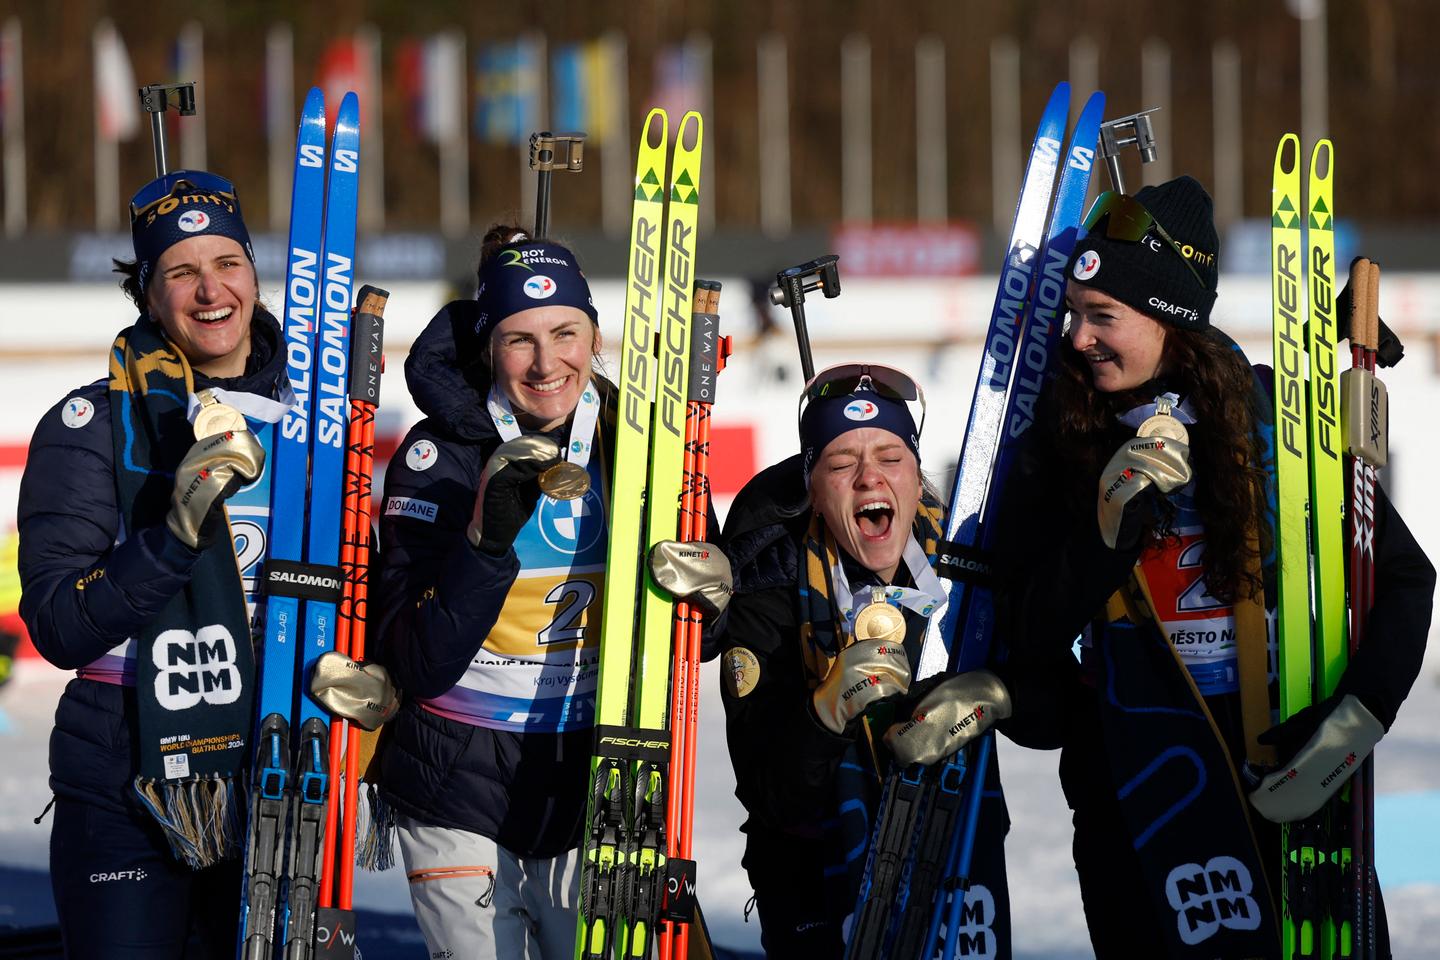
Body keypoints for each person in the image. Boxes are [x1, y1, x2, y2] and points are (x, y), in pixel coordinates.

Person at [995, 175, 1435, 957]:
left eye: (1103, 316)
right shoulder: (1060, 439)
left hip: (1289, 772)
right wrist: (1104, 530)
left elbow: (1402, 575)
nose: (1079, 337)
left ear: (1170, 317)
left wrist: (1355, 719)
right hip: (1141, 799)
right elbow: (1024, 634)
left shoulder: (1273, 419)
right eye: (1073, 314)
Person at [373, 226, 727, 959]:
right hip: (455, 785)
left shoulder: (640, 447)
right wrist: (484, 545)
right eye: (519, 339)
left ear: (594, 336)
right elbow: (416, 663)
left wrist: (716, 597)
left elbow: (695, 644)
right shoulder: (436, 458)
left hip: (598, 781)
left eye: (565, 333)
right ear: (488, 347)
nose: (545, 363)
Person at [17, 171, 287, 956]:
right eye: (181, 271)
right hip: (122, 777)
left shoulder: (315, 421)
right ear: (148, 294)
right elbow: (60, 626)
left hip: (277, 773)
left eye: (227, 263)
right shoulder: (90, 424)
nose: (211, 291)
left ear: (253, 272)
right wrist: (173, 535)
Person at [716, 365, 1013, 957]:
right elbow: (771, 796)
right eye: (840, 463)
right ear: (813, 488)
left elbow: (1056, 711)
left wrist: (1003, 692)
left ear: (917, 478)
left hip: (954, 860)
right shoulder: (770, 586)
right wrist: (824, 714)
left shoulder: (966, 566)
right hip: (813, 885)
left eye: (890, 457)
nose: (869, 476)